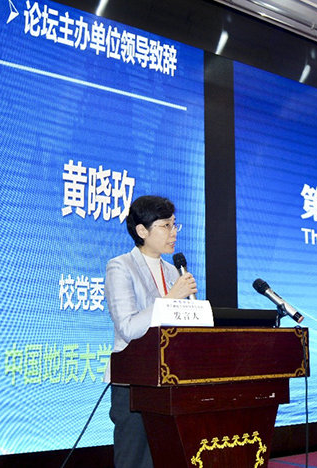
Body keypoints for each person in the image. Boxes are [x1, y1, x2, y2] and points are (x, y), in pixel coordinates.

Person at [104, 195, 197, 468]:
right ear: (142, 231)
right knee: (136, 460)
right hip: (134, 383)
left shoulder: (174, 271)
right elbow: (128, 327)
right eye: (165, 226)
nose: (174, 232)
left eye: (175, 224)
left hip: (171, 381)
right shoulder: (120, 266)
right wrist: (171, 298)